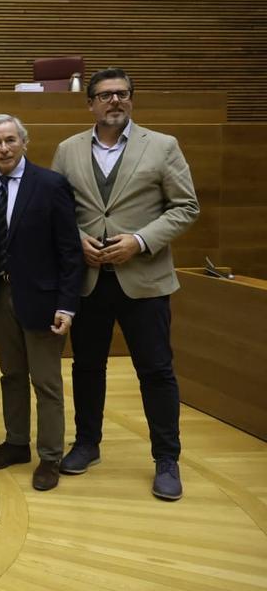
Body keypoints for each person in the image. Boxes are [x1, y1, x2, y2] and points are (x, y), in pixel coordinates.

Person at [50, 67, 199, 501]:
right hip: (89, 280)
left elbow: (186, 207)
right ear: (90, 103)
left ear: (132, 99)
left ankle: (166, 458)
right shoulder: (67, 149)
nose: (114, 101)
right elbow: (59, 211)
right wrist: (77, 241)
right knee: (87, 367)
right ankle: (87, 443)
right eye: (105, 95)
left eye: (122, 94)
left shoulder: (162, 146)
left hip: (145, 280)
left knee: (155, 370)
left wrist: (140, 240)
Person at [0, 114, 84, 492]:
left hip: (43, 302)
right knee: (11, 376)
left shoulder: (51, 184)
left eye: (9, 140)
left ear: (24, 142)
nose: (3, 148)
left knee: (46, 382)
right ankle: (16, 443)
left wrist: (67, 305)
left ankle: (50, 456)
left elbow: (70, 252)